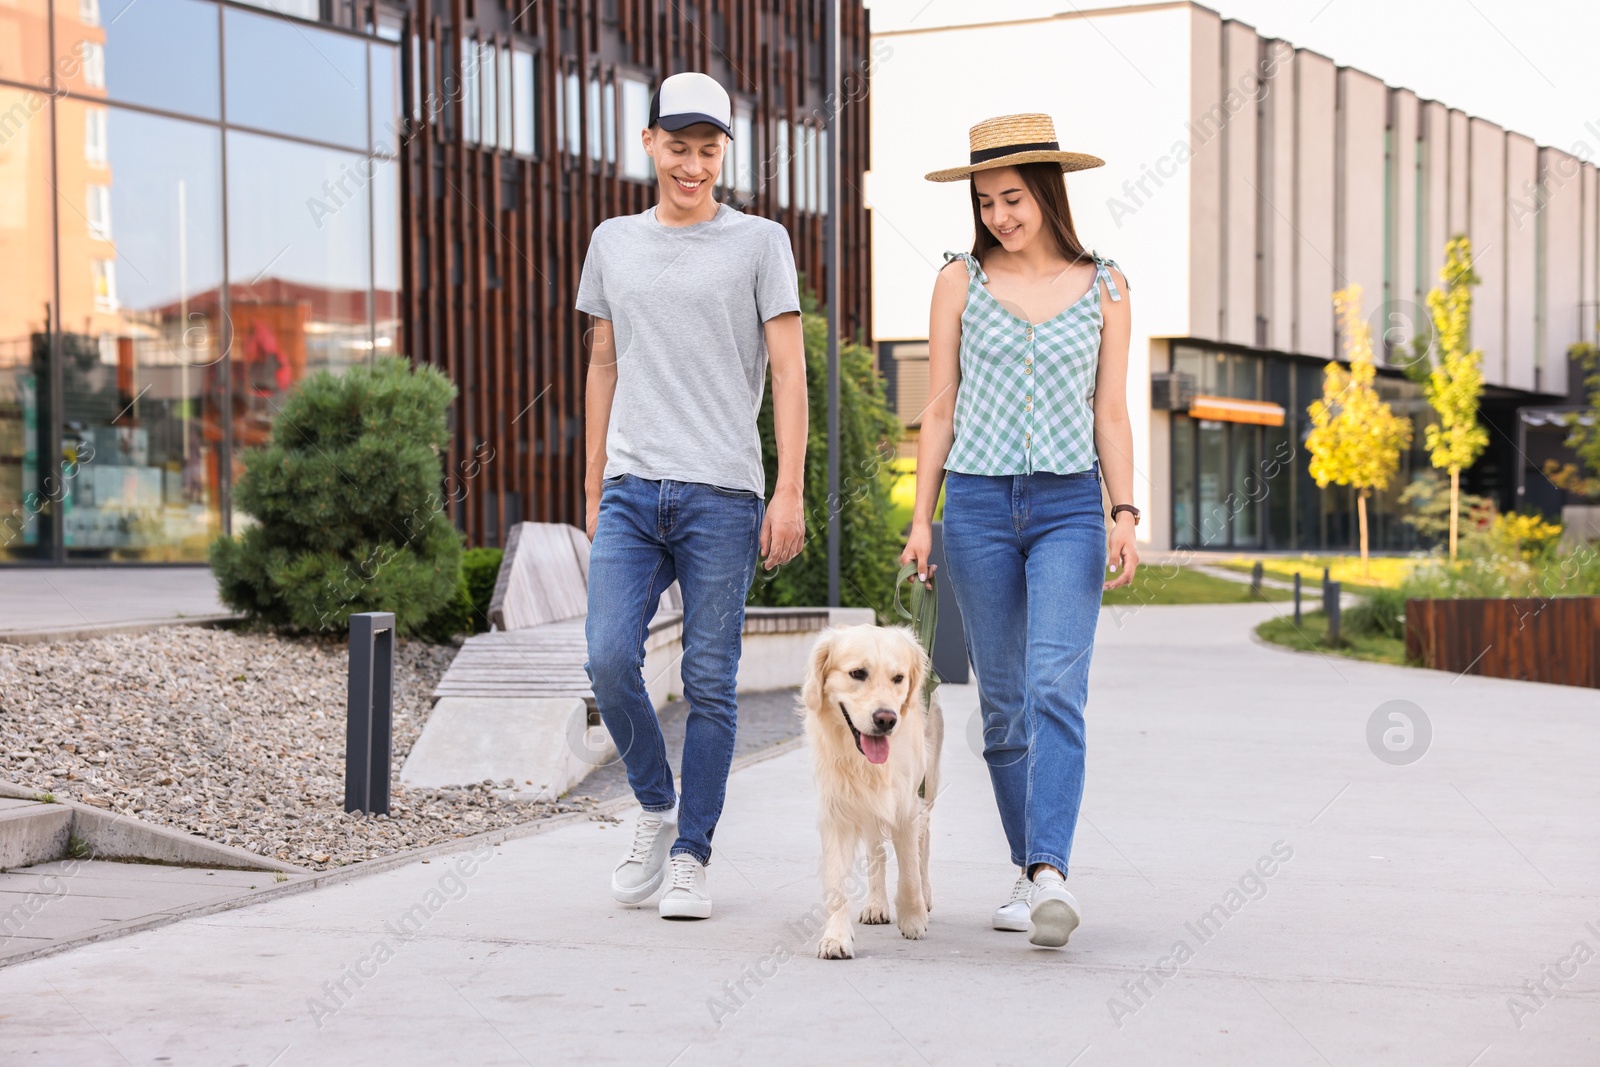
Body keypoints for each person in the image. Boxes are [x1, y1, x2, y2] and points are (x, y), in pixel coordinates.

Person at [901, 113, 1140, 948]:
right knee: (1002, 705)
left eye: (1013, 198)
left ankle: (1050, 872)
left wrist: (1124, 510)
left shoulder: (1106, 284)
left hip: (1071, 505)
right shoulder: (958, 281)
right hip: (974, 506)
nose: (1001, 214)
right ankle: (1026, 868)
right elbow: (938, 409)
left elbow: (1110, 410)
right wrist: (921, 518)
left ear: (1047, 191)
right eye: (987, 200)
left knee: (1054, 688)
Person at [576, 71, 808, 920]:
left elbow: (788, 370)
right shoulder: (613, 241)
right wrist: (596, 475)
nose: (695, 165)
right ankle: (653, 798)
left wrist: (788, 488)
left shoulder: (760, 242)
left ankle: (692, 853)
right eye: (680, 147)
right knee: (606, 656)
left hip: (723, 492)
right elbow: (603, 361)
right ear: (649, 146)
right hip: (634, 489)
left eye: (710, 150)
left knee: (712, 682)